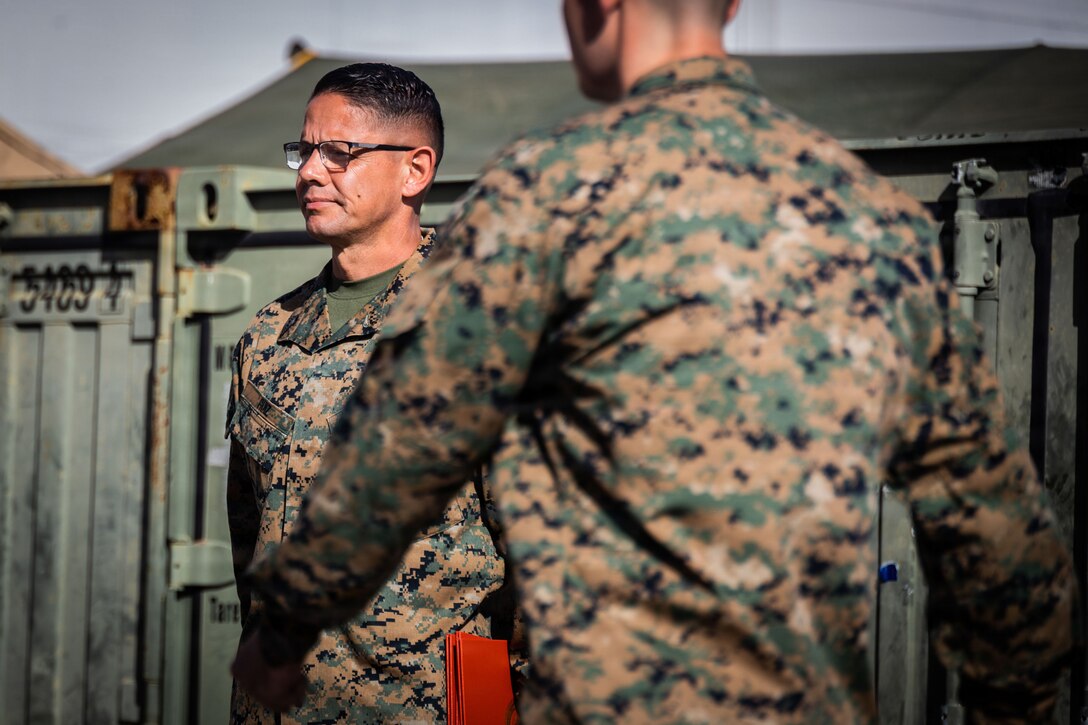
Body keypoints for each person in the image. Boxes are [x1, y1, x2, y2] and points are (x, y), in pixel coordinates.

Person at [232, 1, 1076, 722]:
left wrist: (284, 629)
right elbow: (1004, 544)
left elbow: (395, 453)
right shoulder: (868, 218)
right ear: (736, 5)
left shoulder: (543, 201)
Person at [225, 62, 519, 724]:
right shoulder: (267, 338)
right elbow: (249, 537)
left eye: (340, 152)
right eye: (304, 150)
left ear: (415, 170)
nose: (308, 172)